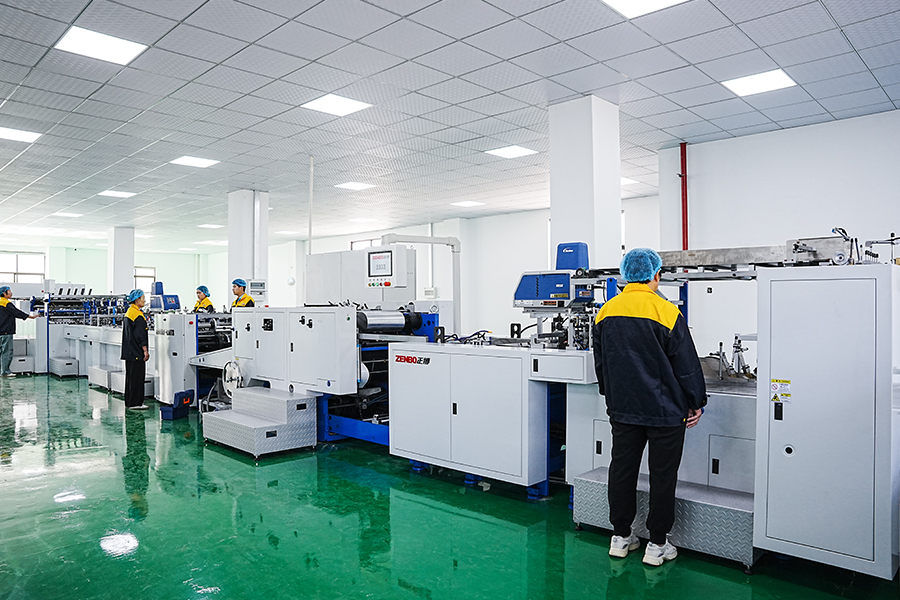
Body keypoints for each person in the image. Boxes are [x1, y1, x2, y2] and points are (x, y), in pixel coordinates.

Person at [592, 248, 706, 567]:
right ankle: (656, 544)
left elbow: (601, 363)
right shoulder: (666, 311)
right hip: (665, 412)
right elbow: (686, 366)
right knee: (662, 475)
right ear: (656, 275)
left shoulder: (605, 312)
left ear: (626, 275)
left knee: (622, 470)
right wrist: (696, 402)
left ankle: (620, 536)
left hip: (624, 409)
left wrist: (611, 396)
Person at [122, 289, 150, 411]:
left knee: (130, 378)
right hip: (136, 352)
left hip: (129, 352)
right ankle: (136, 403)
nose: (144, 300)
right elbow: (140, 335)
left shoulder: (130, 312)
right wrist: (145, 350)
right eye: (143, 298)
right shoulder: (137, 315)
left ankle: (130, 402)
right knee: (137, 378)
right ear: (137, 300)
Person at [0, 285, 37, 378]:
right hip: (6, 331)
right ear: (4, 293)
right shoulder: (6, 303)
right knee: (6, 352)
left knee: (1, 352)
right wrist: (31, 316)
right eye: (9, 291)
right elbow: (17, 313)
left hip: (1, 331)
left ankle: (2, 370)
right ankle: (5, 372)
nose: (11, 293)